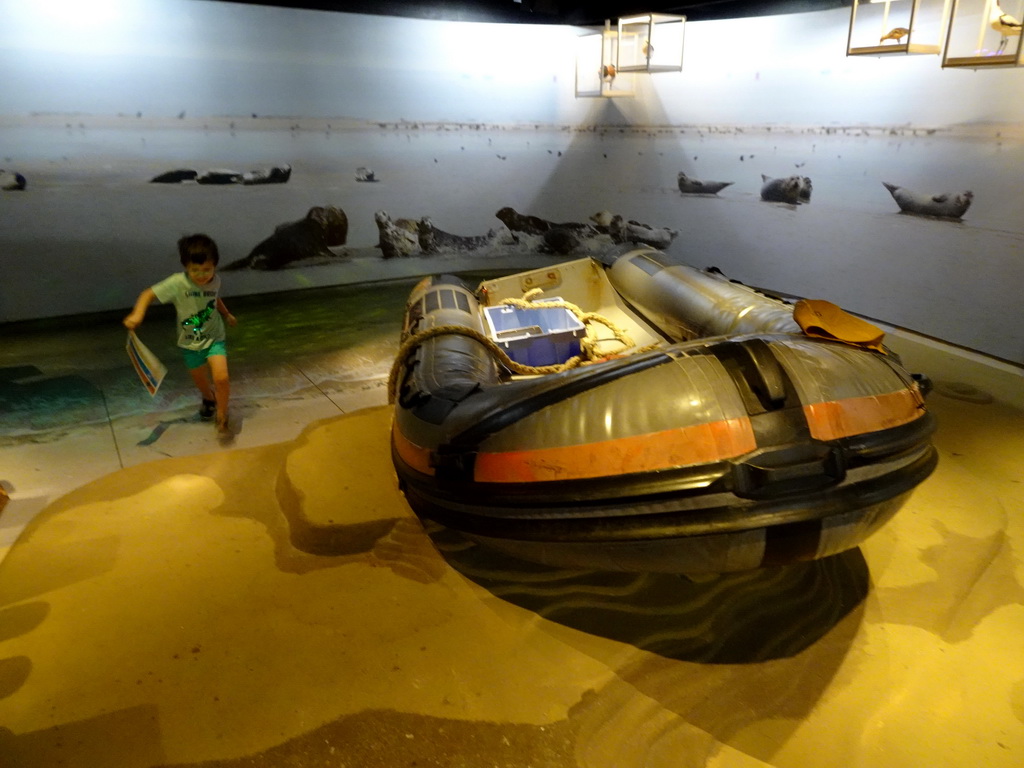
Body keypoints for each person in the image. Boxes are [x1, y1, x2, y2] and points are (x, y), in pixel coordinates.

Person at [124, 233, 237, 434]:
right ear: (185, 266)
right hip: (189, 343)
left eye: (207, 270)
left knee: (221, 377)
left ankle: (222, 412)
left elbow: (214, 298)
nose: (202, 275)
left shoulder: (215, 280)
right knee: (201, 380)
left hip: (214, 338)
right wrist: (137, 314)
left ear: (215, 266)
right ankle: (209, 398)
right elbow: (147, 294)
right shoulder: (177, 283)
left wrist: (227, 314)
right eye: (195, 270)